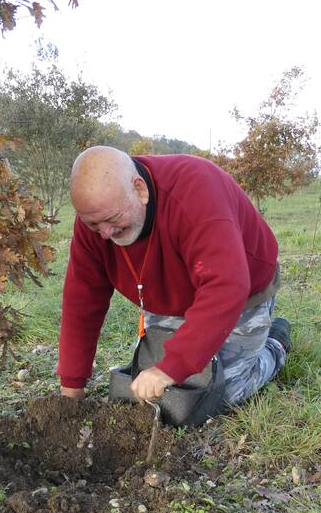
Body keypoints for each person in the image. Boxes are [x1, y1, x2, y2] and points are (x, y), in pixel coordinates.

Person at [58, 146, 292, 407]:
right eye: (93, 224)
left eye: (113, 219)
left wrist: (170, 368)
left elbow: (226, 287)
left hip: (241, 291)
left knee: (220, 394)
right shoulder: (98, 215)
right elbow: (82, 300)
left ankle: (276, 342)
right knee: (159, 396)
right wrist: (72, 385)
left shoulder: (197, 191)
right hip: (172, 297)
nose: (104, 233)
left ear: (140, 190)